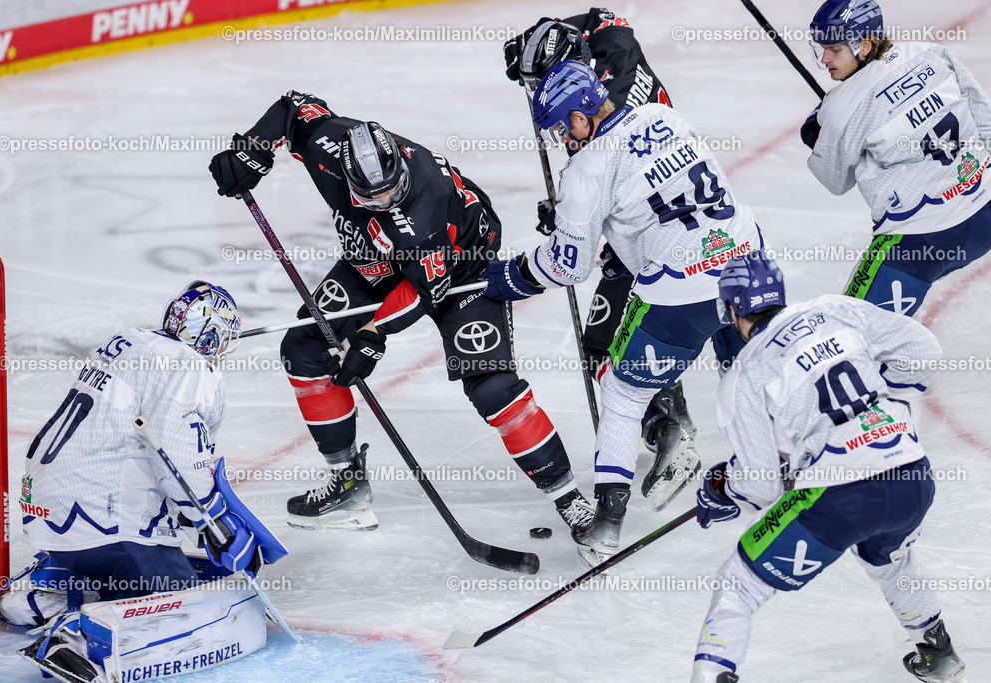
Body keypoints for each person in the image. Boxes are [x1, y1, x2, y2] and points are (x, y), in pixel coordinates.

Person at [208, 94, 596, 539]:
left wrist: (372, 334)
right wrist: (251, 149)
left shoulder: (423, 207)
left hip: (458, 264)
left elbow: (424, 290)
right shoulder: (329, 146)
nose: (384, 200)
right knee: (303, 349)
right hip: (377, 258)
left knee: (493, 387)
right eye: (370, 196)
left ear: (401, 169)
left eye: (391, 190)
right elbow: (294, 108)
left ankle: (571, 501)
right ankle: (347, 483)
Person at [482, 60, 767, 565]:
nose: (560, 139)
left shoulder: (587, 168)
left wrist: (509, 277)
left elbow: (565, 266)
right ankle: (780, 459)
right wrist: (608, 227)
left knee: (622, 390)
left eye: (558, 127)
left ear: (580, 117)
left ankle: (607, 524)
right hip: (749, 262)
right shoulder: (664, 116)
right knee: (748, 366)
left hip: (683, 285)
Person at [0, 282, 284, 681]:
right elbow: (178, 456)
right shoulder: (190, 368)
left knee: (119, 573)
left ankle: (32, 598)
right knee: (186, 603)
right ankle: (76, 644)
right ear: (214, 334)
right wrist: (214, 522)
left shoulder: (130, 342)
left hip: (51, 513)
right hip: (107, 522)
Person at [691, 251, 964, 683]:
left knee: (739, 585)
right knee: (888, 555)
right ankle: (939, 652)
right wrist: (883, 407)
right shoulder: (833, 308)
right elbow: (923, 349)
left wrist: (723, 489)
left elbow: (761, 484)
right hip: (912, 475)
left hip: (841, 495)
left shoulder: (745, 373)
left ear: (732, 310)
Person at [504, 10, 696, 481]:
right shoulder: (604, 62)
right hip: (681, 213)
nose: (543, 93)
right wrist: (539, 38)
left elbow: (590, 215)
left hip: (649, 234)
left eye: (546, 81)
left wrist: (569, 213)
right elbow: (601, 16)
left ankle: (668, 426)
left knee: (605, 343)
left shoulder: (601, 112)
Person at [802, 0, 991, 317]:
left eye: (834, 49)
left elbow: (835, 181)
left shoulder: (839, 108)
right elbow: (986, 122)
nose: (824, 58)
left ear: (864, 44)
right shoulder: (930, 52)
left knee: (854, 328)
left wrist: (818, 134)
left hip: (920, 245)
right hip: (984, 216)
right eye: (821, 48)